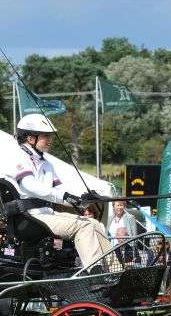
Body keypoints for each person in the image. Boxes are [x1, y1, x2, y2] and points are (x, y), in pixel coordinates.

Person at [9, 114, 110, 269]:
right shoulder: (18, 156)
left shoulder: (46, 163)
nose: (50, 140)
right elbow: (29, 185)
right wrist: (64, 196)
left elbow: (60, 189)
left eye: (50, 136)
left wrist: (83, 197)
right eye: (45, 136)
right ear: (30, 138)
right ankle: (95, 273)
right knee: (84, 226)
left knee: (95, 224)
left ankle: (113, 270)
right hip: (30, 217)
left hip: (46, 214)